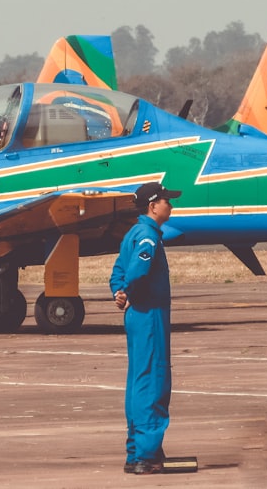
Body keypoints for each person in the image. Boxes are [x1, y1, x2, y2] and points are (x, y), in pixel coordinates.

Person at [109, 181, 181, 475]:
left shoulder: (133, 234)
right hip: (149, 313)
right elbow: (136, 272)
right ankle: (146, 454)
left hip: (138, 314)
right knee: (153, 381)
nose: (171, 205)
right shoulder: (148, 236)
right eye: (166, 200)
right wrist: (128, 290)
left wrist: (120, 291)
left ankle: (137, 449)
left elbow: (118, 269)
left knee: (139, 380)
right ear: (153, 206)